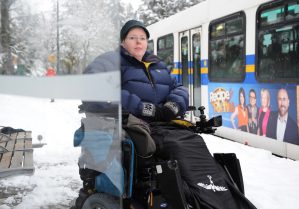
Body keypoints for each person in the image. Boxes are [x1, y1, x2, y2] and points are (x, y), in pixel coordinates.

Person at [72, 20, 256, 209]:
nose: (138, 42)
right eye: (132, 38)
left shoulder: (156, 64)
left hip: (165, 124)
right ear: (122, 42)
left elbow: (179, 88)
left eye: (142, 38)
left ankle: (222, 200)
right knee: (176, 145)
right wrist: (142, 107)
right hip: (135, 123)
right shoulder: (109, 60)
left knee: (193, 141)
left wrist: (173, 105)